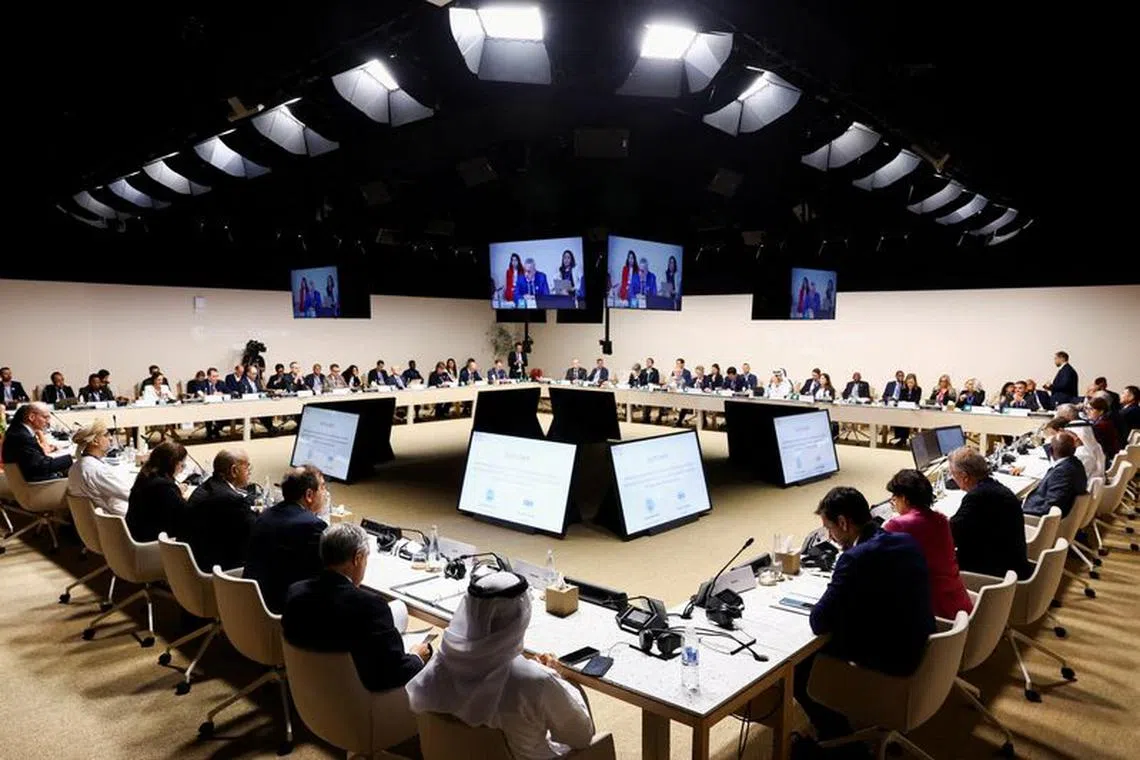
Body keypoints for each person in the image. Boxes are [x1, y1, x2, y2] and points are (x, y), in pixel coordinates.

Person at [407, 570, 596, 760]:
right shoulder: (534, 680)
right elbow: (582, 736)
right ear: (523, 615)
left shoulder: (440, 663)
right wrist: (559, 678)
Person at [795, 487, 933, 744]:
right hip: (921, 646)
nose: (830, 536)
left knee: (799, 665)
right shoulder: (905, 540)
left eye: (830, 528)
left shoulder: (855, 559)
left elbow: (819, 621)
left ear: (844, 523)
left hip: (892, 657)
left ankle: (836, 737)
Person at [284, 523, 431, 691]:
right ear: (357, 558)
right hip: (357, 697)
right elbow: (394, 673)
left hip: (306, 688)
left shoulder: (295, 592)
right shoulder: (371, 607)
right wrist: (417, 657)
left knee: (396, 610)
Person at [883, 470, 973, 618]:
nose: (894, 502)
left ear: (904, 498)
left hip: (934, 612)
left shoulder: (898, 525)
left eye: (895, 498)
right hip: (959, 604)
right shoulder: (942, 520)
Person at [243, 465, 328, 614]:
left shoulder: (265, 515)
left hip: (251, 603)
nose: (326, 493)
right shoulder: (313, 525)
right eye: (322, 487)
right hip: (285, 612)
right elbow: (323, 575)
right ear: (309, 495)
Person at [947, 447, 1031, 578]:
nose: (952, 478)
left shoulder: (977, 497)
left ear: (964, 477)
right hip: (1011, 564)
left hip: (996, 573)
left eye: (953, 474)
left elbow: (950, 536)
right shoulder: (995, 487)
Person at [182, 449, 256, 573]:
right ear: (234, 471)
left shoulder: (208, 485)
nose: (249, 472)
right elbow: (255, 530)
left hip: (196, 559)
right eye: (247, 467)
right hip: (217, 568)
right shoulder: (231, 499)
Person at [125, 441, 188, 542]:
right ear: (172, 464)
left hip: (137, 534)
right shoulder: (164, 486)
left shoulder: (145, 475)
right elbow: (184, 514)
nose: (181, 470)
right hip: (151, 542)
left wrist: (175, 491)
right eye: (182, 465)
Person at [67, 420, 131, 516]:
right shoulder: (96, 470)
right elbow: (129, 495)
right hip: (117, 522)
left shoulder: (77, 466)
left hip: (94, 521)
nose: (110, 438)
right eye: (106, 435)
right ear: (95, 441)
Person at [2, 403, 73, 481]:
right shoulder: (22, 437)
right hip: (37, 487)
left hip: (30, 481)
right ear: (32, 417)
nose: (48, 422)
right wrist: (70, 459)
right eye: (45, 417)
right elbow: (40, 467)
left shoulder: (18, 431)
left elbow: (38, 461)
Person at [1023, 431, 1087, 517]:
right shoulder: (1076, 463)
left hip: (1040, 519)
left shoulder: (1062, 473)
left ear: (1051, 450)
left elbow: (1049, 508)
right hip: (1061, 513)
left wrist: (1019, 511)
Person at [1086, 396, 1121, 461]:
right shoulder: (1105, 420)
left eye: (1091, 409)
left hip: (1106, 458)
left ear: (1101, 411)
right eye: (1087, 409)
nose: (1088, 412)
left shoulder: (1100, 425)